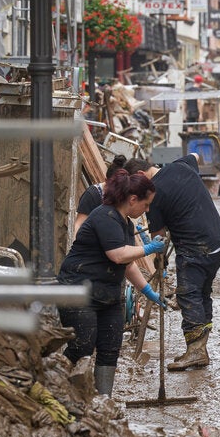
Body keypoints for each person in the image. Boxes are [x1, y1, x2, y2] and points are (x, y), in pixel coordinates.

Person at [57, 170, 167, 396]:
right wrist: (148, 248)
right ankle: (57, 387)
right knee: (82, 346)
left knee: (109, 349)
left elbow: (127, 265)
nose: (146, 211)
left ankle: (103, 400)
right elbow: (118, 255)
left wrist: (148, 292)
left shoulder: (124, 223)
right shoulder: (103, 216)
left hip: (107, 295)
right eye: (146, 205)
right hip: (79, 291)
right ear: (132, 199)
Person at [125, 155, 220, 371]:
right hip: (217, 242)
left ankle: (196, 351)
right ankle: (200, 348)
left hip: (195, 248)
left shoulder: (153, 196)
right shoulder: (181, 164)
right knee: (201, 294)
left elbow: (158, 238)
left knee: (188, 295)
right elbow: (195, 156)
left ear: (141, 176)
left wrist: (159, 261)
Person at [74, 154, 126, 235]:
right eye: (113, 186)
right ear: (106, 180)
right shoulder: (93, 194)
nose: (116, 191)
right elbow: (79, 224)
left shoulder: (121, 196)